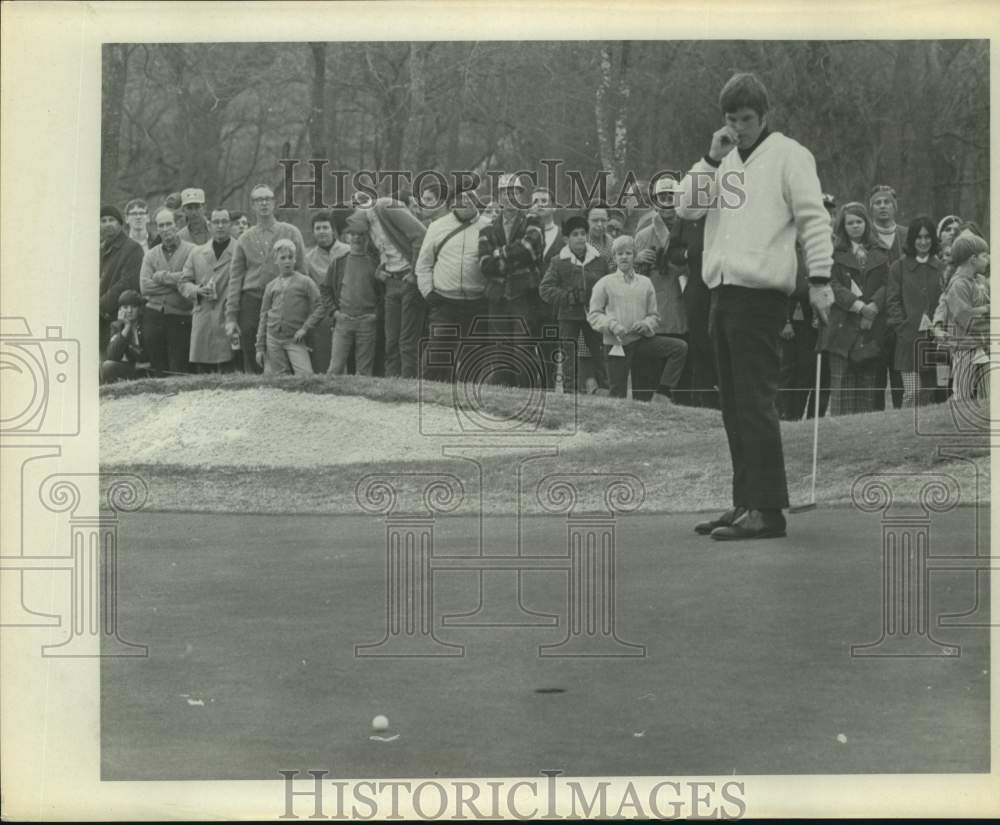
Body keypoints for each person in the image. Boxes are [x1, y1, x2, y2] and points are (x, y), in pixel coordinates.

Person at [675, 71, 835, 541]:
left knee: (755, 402)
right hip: (720, 292)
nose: (738, 126)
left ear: (763, 116)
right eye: (731, 118)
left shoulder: (789, 155)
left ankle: (768, 509)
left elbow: (814, 219)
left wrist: (821, 281)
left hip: (761, 296)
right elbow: (685, 209)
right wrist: (709, 159)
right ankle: (746, 500)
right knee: (732, 405)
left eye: (746, 118)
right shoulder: (720, 160)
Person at [587, 235, 687, 401]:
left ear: (634, 256)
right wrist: (611, 325)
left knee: (679, 348)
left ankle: (663, 393)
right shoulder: (605, 283)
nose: (624, 257)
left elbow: (654, 315)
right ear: (614, 257)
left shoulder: (646, 283)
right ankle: (604, 403)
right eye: (620, 254)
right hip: (616, 345)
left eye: (628, 253)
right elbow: (594, 315)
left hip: (641, 343)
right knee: (617, 397)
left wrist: (646, 324)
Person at [226, 183, 307, 374]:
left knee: (283, 349)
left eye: (267, 199)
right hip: (252, 300)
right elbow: (235, 278)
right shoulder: (244, 239)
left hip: (282, 299)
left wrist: (302, 304)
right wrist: (231, 316)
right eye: (258, 200)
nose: (263, 204)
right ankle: (256, 391)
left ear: (274, 203)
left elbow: (303, 270)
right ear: (252, 206)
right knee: (252, 347)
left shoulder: (290, 232)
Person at [348, 183, 427, 379]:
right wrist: (379, 270)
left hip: (410, 278)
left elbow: (420, 235)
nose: (354, 235)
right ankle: (392, 384)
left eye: (352, 228)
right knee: (391, 340)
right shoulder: (366, 225)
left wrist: (415, 274)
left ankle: (409, 385)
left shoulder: (387, 206)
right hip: (391, 282)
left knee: (407, 340)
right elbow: (378, 251)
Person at [819, 202, 891, 416]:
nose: (855, 226)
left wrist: (874, 307)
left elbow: (889, 283)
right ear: (843, 226)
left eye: (859, 221)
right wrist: (859, 307)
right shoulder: (832, 253)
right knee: (842, 389)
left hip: (872, 328)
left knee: (868, 390)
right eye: (850, 223)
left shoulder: (880, 251)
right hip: (842, 327)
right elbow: (831, 284)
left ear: (866, 224)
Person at [478, 173, 549, 388]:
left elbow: (530, 250)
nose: (510, 198)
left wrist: (498, 254)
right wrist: (513, 258)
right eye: (505, 193)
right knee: (500, 351)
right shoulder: (487, 228)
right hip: (498, 299)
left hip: (524, 297)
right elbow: (484, 264)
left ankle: (526, 396)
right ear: (498, 197)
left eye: (515, 193)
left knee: (522, 349)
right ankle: (501, 402)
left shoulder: (533, 221)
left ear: (521, 196)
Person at [415, 191, 487, 383]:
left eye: (471, 199)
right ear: (453, 203)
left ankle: (467, 403)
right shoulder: (437, 226)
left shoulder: (488, 226)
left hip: (477, 303)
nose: (466, 204)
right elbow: (423, 265)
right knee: (437, 356)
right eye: (461, 200)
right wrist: (429, 293)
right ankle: (429, 402)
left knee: (473, 359)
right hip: (444, 302)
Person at [539, 215, 610, 393]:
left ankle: (606, 390)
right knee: (568, 356)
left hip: (594, 315)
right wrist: (568, 297)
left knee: (600, 354)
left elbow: (608, 286)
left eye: (583, 233)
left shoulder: (599, 260)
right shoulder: (558, 261)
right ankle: (570, 393)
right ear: (566, 239)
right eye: (575, 234)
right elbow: (545, 289)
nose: (580, 237)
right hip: (568, 316)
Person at [636, 175, 688, 399]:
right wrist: (638, 259)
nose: (667, 202)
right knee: (647, 374)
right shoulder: (643, 234)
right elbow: (626, 274)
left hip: (680, 305)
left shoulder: (689, 231)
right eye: (662, 197)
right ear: (655, 202)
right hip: (652, 308)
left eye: (672, 197)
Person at [885, 216, 944, 407]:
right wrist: (902, 328)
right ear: (911, 239)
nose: (923, 241)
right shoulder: (899, 267)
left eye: (927, 237)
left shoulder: (941, 268)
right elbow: (892, 301)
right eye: (919, 237)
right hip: (908, 342)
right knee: (912, 394)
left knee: (932, 393)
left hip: (935, 341)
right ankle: (906, 432)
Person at [179, 208, 237, 374]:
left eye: (224, 222)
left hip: (229, 317)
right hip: (203, 316)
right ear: (210, 225)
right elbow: (183, 282)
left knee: (230, 368)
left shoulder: (239, 250)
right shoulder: (197, 252)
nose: (220, 226)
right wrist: (197, 290)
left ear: (230, 225)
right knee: (204, 372)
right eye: (216, 222)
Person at [255, 238, 324, 376]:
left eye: (290, 257)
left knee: (306, 375)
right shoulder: (271, 286)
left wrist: (305, 328)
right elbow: (264, 316)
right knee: (277, 377)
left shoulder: (305, 282)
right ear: (276, 260)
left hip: (294, 338)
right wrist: (260, 347)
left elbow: (320, 306)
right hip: (273, 338)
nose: (287, 261)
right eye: (283, 258)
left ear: (295, 260)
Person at [322, 217, 382, 377]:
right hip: (343, 321)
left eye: (361, 234)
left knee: (363, 372)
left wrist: (375, 315)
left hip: (367, 321)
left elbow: (383, 294)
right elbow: (326, 291)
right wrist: (335, 313)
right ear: (347, 236)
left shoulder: (375, 263)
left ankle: (361, 402)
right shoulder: (339, 263)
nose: (357, 238)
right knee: (335, 369)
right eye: (353, 234)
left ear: (367, 236)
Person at [139, 207, 195, 375]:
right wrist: (176, 282)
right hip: (153, 315)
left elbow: (192, 280)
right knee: (158, 367)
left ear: (176, 225)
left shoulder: (192, 250)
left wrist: (161, 276)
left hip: (181, 315)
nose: (165, 229)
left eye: (168, 224)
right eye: (160, 225)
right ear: (156, 228)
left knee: (178, 367)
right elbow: (144, 287)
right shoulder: (150, 254)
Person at [936, 233, 990, 403]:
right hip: (964, 347)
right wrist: (987, 310)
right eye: (984, 255)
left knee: (989, 391)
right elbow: (965, 317)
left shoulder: (980, 280)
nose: (988, 259)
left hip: (983, 345)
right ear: (973, 258)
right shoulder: (958, 284)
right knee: (963, 393)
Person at [868, 184, 907, 409]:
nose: (883, 207)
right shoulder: (865, 235)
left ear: (895, 206)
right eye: (877, 203)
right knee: (875, 376)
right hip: (873, 316)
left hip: (902, 315)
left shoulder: (907, 235)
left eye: (887, 202)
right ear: (870, 208)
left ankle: (900, 419)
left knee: (901, 372)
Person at [304, 210, 350, 373]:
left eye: (325, 227)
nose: (322, 231)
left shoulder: (348, 251)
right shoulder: (308, 259)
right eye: (318, 228)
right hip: (322, 313)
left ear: (332, 230)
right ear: (313, 232)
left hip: (347, 309)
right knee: (323, 357)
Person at [99, 204, 144, 361]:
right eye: (103, 220)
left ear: (120, 223)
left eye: (111, 220)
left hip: (119, 319)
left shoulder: (133, 249)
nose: (107, 224)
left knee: (111, 365)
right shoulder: (99, 250)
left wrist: (100, 305)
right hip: (99, 320)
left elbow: (127, 283)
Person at [100, 290, 152, 384]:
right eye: (125, 307)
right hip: (134, 368)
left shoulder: (147, 323)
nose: (129, 311)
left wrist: (145, 365)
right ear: (120, 310)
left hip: (151, 369)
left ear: (140, 309)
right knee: (107, 366)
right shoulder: (117, 326)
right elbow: (112, 356)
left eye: (134, 307)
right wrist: (127, 326)